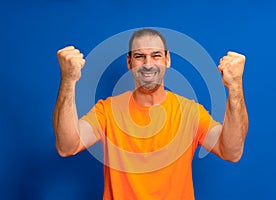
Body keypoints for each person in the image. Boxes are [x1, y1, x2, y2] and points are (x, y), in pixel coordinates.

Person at [53, 28, 248, 200]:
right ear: (129, 62)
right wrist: (68, 81)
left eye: (156, 55)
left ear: (167, 59)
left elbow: (231, 151)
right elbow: (67, 146)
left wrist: (235, 87)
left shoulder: (190, 112)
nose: (148, 64)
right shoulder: (108, 110)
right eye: (139, 56)